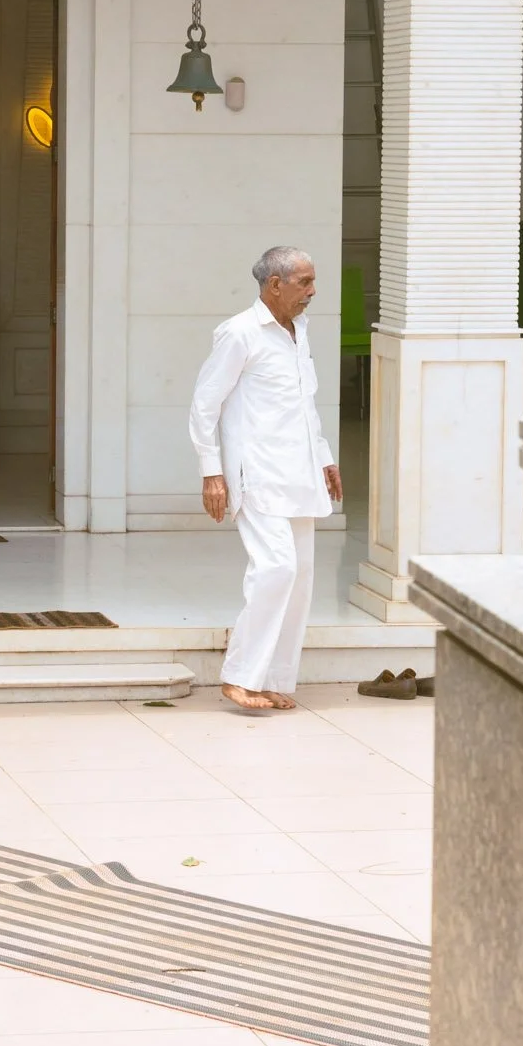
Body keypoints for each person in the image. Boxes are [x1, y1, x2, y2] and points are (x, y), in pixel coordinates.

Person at [189, 246, 342, 713]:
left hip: (299, 472)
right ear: (274, 284)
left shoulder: (300, 332)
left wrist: (325, 458)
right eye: (304, 283)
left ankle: (272, 678)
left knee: (301, 578)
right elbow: (204, 405)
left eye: (313, 282)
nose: (313, 292)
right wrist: (211, 472)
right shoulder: (239, 333)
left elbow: (304, 405)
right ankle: (239, 676)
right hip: (255, 473)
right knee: (277, 568)